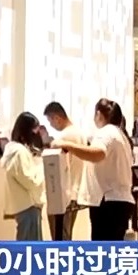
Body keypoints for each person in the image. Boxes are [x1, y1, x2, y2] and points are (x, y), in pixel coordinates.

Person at [55, 99, 135, 241]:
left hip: (108, 202)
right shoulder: (121, 136)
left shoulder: (106, 132)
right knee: (113, 247)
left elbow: (98, 153)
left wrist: (67, 145)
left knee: (103, 247)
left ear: (98, 114)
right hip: (119, 200)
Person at [42, 102, 84, 241]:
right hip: (75, 192)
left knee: (59, 238)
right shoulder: (80, 134)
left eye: (50, 121)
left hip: (62, 195)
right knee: (67, 235)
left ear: (57, 118)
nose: (51, 125)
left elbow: (55, 166)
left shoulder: (64, 138)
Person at [2, 112, 46, 241]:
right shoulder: (19, 152)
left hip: (24, 206)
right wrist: (42, 167)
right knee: (30, 247)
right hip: (28, 206)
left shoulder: (13, 150)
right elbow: (29, 180)